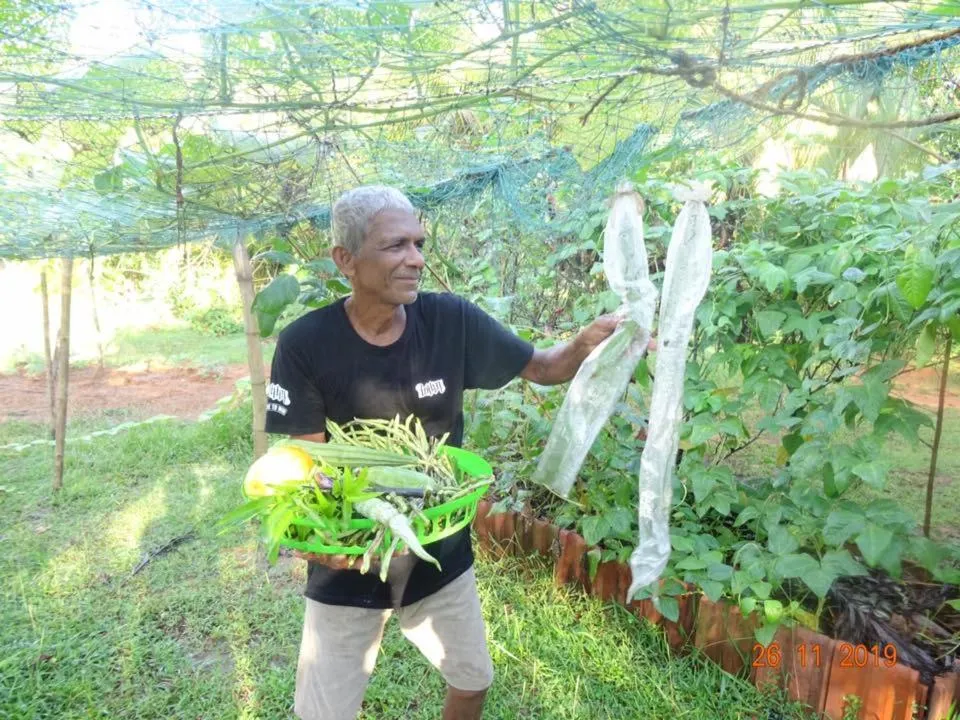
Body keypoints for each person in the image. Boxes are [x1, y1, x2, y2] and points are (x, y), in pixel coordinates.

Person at [264, 185, 620, 720]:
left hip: (439, 549)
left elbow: (543, 368)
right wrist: (317, 539)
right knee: (323, 714)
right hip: (353, 560)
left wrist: (585, 344)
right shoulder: (305, 344)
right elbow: (306, 462)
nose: (416, 259)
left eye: (419, 243)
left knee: (473, 680)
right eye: (395, 246)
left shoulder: (450, 321)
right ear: (346, 259)